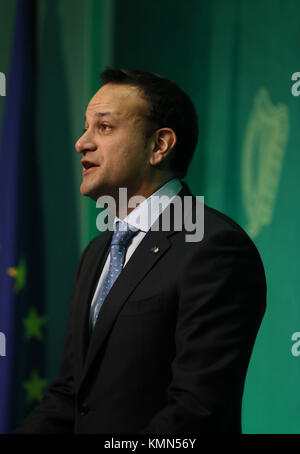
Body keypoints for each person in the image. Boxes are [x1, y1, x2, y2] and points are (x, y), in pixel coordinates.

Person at [15, 68, 266, 434]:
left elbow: (197, 410)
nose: (81, 142)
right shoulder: (97, 253)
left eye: (104, 127)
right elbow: (71, 393)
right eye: (86, 127)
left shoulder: (213, 247)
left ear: (159, 146)